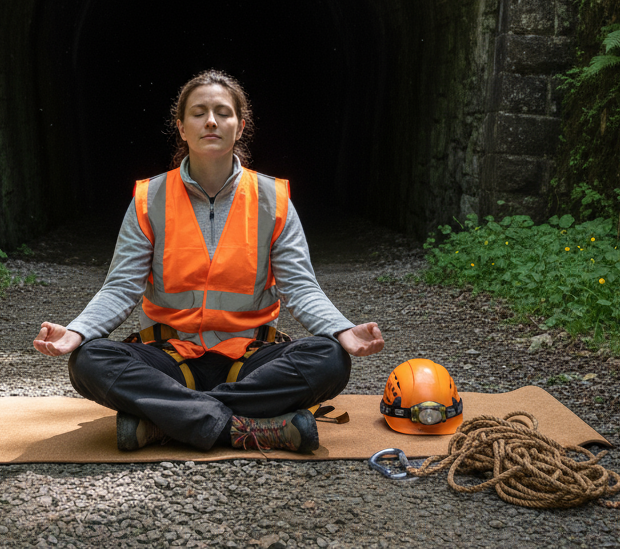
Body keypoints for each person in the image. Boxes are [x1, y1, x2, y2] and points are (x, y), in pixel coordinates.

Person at [33, 69, 384, 453]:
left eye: (222, 112)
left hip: (250, 359)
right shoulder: (150, 198)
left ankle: (167, 423)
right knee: (88, 360)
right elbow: (120, 288)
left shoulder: (273, 198)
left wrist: (340, 329)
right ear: (181, 127)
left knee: (331, 358)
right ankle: (246, 427)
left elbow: (300, 287)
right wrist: (78, 331)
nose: (211, 121)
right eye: (199, 112)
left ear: (240, 126)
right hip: (168, 360)